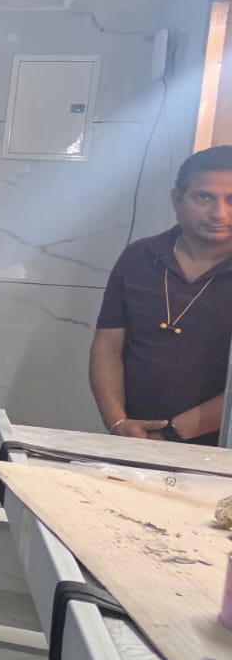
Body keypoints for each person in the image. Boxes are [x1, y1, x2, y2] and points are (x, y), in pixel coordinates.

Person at [90, 145, 232, 446]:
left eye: (231, 200)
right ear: (177, 199)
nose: (219, 213)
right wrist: (118, 423)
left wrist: (168, 434)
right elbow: (108, 347)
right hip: (132, 441)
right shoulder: (140, 257)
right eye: (203, 197)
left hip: (220, 451)